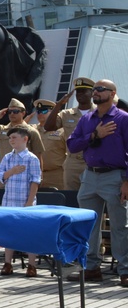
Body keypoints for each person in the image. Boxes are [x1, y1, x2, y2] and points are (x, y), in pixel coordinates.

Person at [66, 79, 128, 285]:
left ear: (112, 93)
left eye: (100, 89)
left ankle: (124, 269)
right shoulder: (87, 120)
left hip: (115, 175)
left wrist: (127, 181)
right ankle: (91, 267)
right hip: (90, 175)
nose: (95, 92)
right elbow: (73, 145)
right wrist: (95, 135)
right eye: (95, 90)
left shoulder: (123, 119)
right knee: (88, 225)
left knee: (119, 226)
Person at [0, 127, 41, 277]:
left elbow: (35, 181)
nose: (11, 140)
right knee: (9, 232)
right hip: (9, 201)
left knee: (30, 233)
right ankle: (8, 263)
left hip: (25, 201)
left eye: (14, 137)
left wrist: (30, 202)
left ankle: (31, 265)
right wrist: (12, 171)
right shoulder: (7, 157)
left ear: (25, 139)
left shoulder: (32, 158)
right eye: (10, 138)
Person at [41, 77, 96, 190]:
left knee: (91, 195)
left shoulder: (98, 112)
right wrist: (59, 105)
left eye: (84, 91)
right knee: (71, 196)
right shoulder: (67, 114)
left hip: (93, 160)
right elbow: (48, 127)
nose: (80, 94)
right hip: (73, 162)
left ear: (92, 93)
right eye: (78, 91)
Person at [0, 99, 45, 184]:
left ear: (23, 113)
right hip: (5, 176)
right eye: (10, 112)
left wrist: (38, 179)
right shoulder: (1, 130)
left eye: (15, 111)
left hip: (24, 177)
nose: (12, 114)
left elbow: (38, 155)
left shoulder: (31, 132)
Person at [29, 98, 64, 190]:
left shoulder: (62, 131)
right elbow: (16, 128)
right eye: (38, 111)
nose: (40, 114)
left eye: (44, 111)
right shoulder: (31, 130)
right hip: (33, 174)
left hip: (56, 175)